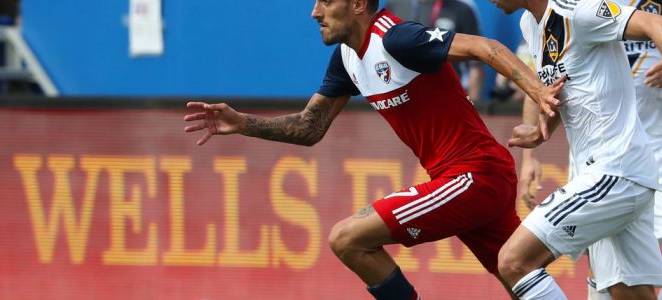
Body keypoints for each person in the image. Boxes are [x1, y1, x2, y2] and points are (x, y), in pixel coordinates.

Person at [184, 0, 562, 299]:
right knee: (518, 273)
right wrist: (242, 123)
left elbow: (486, 47)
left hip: (474, 176)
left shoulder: (396, 39)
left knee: (346, 239)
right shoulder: (347, 58)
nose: (314, 12)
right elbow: (309, 128)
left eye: (326, 1)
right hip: (475, 178)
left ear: (359, 4)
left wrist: (539, 91)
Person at [488, 0, 662, 299]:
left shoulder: (579, 10)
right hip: (608, 171)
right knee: (625, 291)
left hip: (615, 171)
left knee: (513, 262)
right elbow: (559, 84)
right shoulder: (531, 23)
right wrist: (541, 132)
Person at [384, 0, 485, 102]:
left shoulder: (463, 8)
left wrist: (474, 105)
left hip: (449, 95)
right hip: (404, 95)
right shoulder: (395, 4)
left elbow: (475, 66)